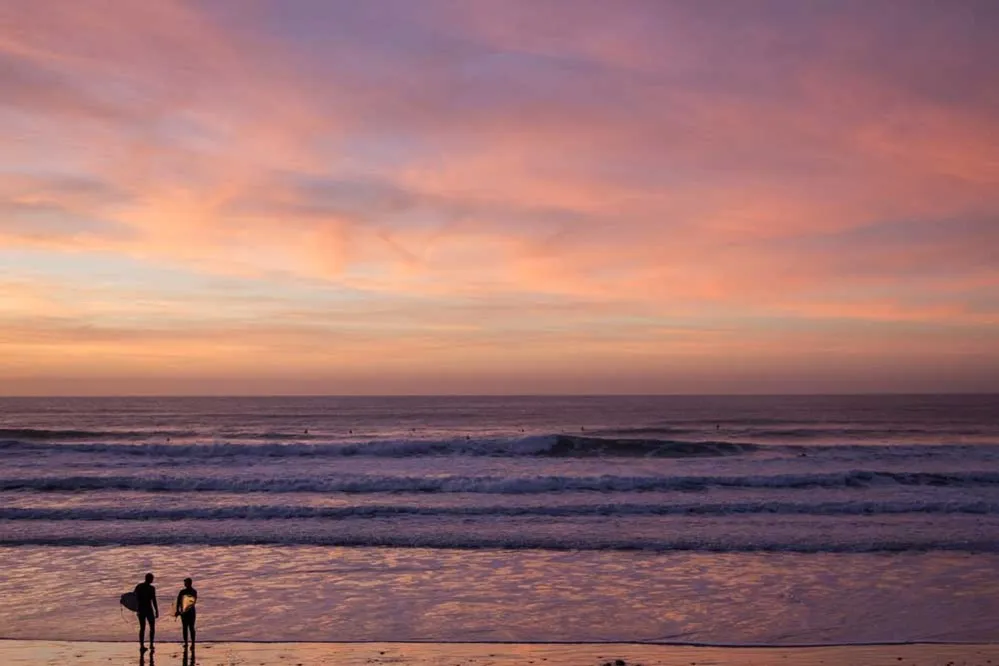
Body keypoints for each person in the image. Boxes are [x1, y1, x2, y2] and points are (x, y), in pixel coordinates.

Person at [134, 573, 159, 653]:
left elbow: (133, 598)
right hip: (148, 609)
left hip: (141, 609)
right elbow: (154, 600)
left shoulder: (139, 586)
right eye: (152, 578)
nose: (152, 580)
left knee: (142, 628)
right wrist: (156, 610)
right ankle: (151, 644)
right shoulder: (151, 588)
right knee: (152, 627)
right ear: (149, 579)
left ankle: (142, 646)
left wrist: (135, 608)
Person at [175, 577, 198, 647]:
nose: (185, 584)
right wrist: (177, 610)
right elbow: (178, 602)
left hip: (188, 612)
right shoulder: (191, 591)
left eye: (185, 582)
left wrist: (178, 611)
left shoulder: (186, 592)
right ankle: (188, 643)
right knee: (187, 627)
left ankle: (191, 643)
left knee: (190, 627)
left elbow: (192, 602)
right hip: (187, 612)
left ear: (189, 583)